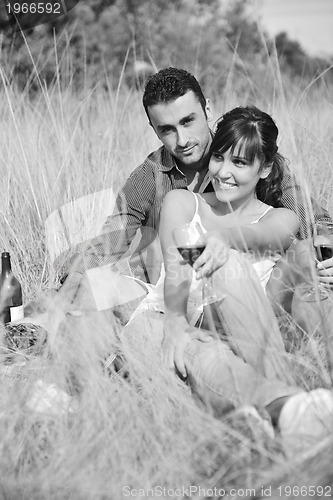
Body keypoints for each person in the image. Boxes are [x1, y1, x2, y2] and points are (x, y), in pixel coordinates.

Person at [121, 105, 333, 453]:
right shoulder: (183, 203)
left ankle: (289, 412)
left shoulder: (282, 218)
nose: (223, 172)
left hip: (250, 337)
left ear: (264, 168)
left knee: (298, 272)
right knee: (192, 335)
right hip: (172, 318)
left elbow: (265, 236)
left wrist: (226, 240)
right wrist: (175, 319)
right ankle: (289, 408)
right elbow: (177, 265)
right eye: (218, 158)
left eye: (240, 162)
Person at [52, 67, 333, 321]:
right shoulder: (149, 176)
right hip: (170, 298)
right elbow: (112, 238)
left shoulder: (247, 158)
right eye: (167, 130)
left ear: (207, 109)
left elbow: (315, 222)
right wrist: (73, 278)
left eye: (188, 121)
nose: (183, 140)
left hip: (251, 297)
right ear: (154, 129)